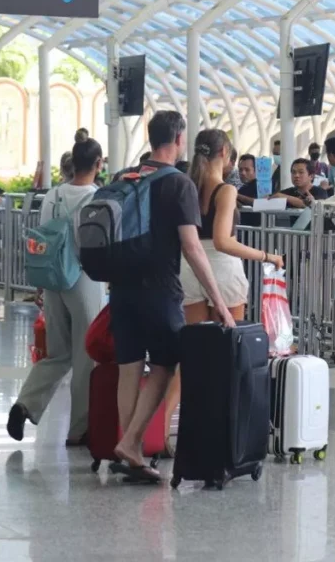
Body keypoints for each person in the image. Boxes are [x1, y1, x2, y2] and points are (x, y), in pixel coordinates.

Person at [110, 111, 234, 482]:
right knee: (166, 364)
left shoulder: (125, 177)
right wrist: (221, 304)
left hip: (121, 288)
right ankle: (131, 444)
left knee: (129, 367)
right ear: (179, 139)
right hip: (159, 289)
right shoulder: (177, 183)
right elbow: (193, 248)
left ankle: (126, 445)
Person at [167, 129, 285, 454]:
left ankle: (161, 432)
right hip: (222, 269)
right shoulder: (226, 190)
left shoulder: (185, 186)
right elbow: (223, 241)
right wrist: (266, 255)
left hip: (189, 268)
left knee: (190, 359)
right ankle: (228, 432)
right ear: (224, 154)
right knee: (231, 356)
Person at [6, 138, 107, 445]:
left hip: (51, 280)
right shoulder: (97, 198)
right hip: (83, 280)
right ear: (98, 164)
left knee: (57, 354)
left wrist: (41, 284)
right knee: (85, 356)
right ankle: (79, 429)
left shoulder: (52, 194)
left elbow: (43, 241)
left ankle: (25, 403)